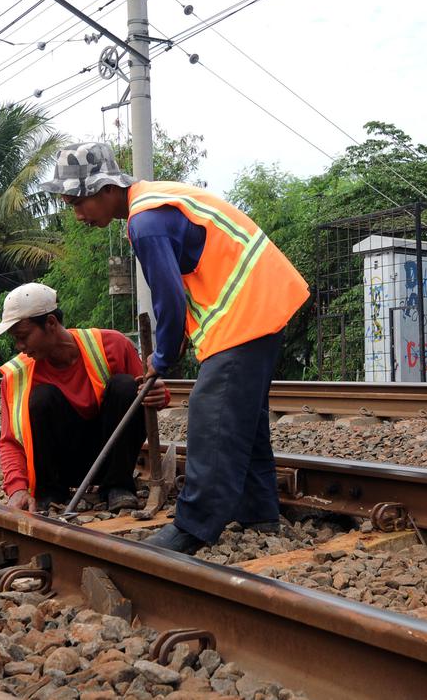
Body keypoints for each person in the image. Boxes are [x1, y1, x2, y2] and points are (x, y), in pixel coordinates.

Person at [41, 142, 309, 553]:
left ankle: (193, 526)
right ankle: (260, 512)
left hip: (249, 307)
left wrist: (162, 357)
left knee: (212, 413)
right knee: (244, 417)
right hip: (263, 298)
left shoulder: (145, 222)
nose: (77, 213)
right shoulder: (153, 203)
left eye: (79, 201)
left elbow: (168, 298)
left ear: (108, 188)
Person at [0, 283, 170, 513]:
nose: (20, 347)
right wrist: (17, 488)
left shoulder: (111, 345)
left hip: (110, 460)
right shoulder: (18, 376)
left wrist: (158, 395)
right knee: (41, 397)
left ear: (51, 323)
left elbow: (151, 395)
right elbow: (10, 440)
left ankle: (117, 487)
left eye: (23, 337)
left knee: (125, 386)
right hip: (61, 467)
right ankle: (51, 493)